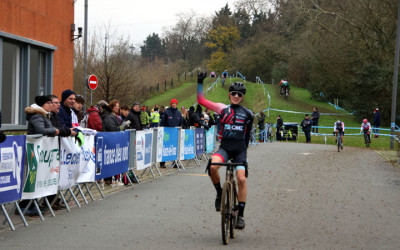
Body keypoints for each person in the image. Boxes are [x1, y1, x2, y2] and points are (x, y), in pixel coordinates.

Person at [197, 72, 253, 230]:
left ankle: (240, 214)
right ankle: (219, 192)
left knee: (241, 179)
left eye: (239, 94)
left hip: (240, 151)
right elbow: (201, 100)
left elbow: (247, 137)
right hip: (225, 148)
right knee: (213, 167)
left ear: (242, 97)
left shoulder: (248, 114)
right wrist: (200, 82)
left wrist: (244, 159)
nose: (236, 96)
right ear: (229, 95)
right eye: (234, 93)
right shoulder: (222, 109)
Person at [21, 95, 60, 215]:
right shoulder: (37, 116)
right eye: (48, 103)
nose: (51, 105)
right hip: (35, 150)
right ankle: (25, 205)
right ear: (42, 105)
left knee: (39, 177)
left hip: (41, 150)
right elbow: (41, 130)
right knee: (33, 177)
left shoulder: (44, 115)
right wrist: (54, 131)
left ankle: (31, 204)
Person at [159, 99, 183, 168]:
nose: (174, 104)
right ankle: (162, 163)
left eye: (175, 103)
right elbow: (162, 122)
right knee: (165, 148)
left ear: (177, 104)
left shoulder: (178, 112)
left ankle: (175, 163)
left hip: (175, 134)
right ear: (171, 104)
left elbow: (181, 122)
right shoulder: (167, 112)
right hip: (167, 133)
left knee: (175, 148)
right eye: (173, 103)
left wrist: (180, 127)